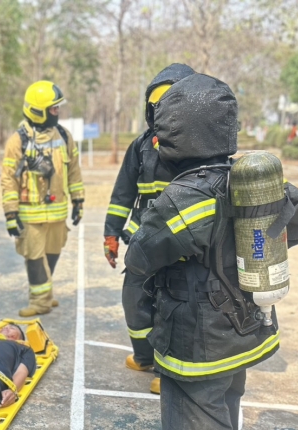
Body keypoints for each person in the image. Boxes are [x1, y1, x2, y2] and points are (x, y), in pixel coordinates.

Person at [125, 74, 298, 430]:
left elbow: (141, 257)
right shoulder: (252, 182)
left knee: (193, 402)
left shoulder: (183, 197)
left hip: (198, 327)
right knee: (228, 390)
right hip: (246, 318)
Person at [103, 63, 195, 395]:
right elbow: (122, 194)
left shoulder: (199, 146)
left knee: (174, 305)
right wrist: (112, 233)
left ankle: (167, 369)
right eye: (157, 108)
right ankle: (145, 356)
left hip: (184, 243)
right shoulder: (141, 146)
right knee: (134, 299)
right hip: (145, 240)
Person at [1, 81, 85, 317]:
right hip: (30, 215)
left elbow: (74, 171)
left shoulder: (64, 136)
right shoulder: (18, 141)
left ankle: (45, 294)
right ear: (38, 111)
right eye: (53, 108)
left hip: (57, 214)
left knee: (52, 254)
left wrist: (78, 201)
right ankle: (40, 302)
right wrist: (11, 213)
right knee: (35, 257)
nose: (57, 112)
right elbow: (9, 179)